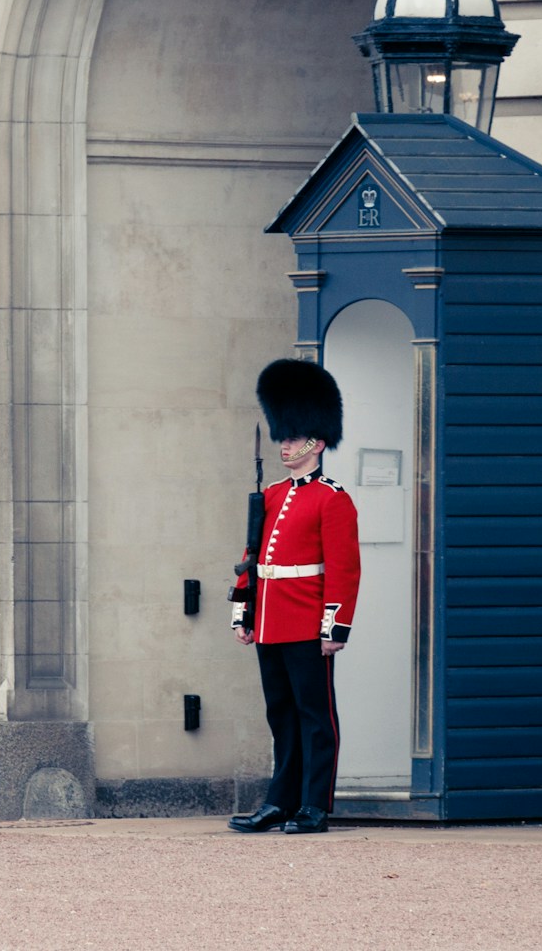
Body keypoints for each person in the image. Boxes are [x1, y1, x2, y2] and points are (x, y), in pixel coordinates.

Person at [227, 358, 360, 835]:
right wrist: (244, 611)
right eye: (282, 436)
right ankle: (280, 802)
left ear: (316, 442)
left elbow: (344, 569)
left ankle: (315, 805)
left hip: (307, 622)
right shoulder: (273, 495)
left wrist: (334, 626)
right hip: (271, 621)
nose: (285, 444)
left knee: (315, 718)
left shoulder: (333, 498)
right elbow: (253, 558)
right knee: (281, 714)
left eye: (293, 437)